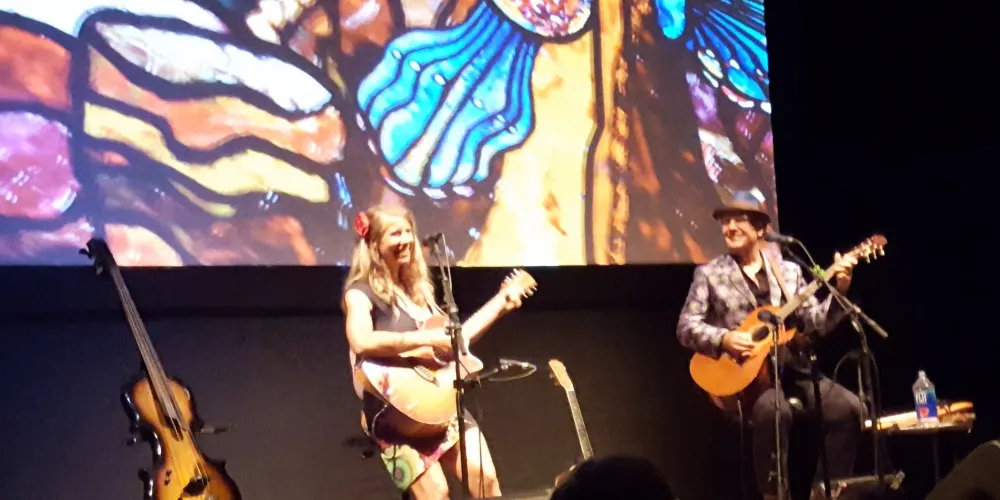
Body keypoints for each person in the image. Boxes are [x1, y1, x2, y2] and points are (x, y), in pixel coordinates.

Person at [676, 191, 863, 500]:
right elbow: (686, 327)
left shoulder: (788, 271)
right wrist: (724, 339)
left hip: (795, 368)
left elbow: (815, 322)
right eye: (725, 222)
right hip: (754, 380)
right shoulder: (709, 274)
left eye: (739, 220)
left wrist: (840, 290)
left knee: (851, 409)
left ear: (760, 229)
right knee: (774, 413)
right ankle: (774, 496)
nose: (730, 228)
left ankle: (826, 493)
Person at [341, 205, 523, 499]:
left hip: (440, 406)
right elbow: (361, 341)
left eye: (408, 232)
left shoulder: (420, 295)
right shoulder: (360, 293)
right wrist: (424, 338)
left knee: (486, 479)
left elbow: (454, 342)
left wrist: (501, 303)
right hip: (394, 419)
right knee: (436, 494)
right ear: (374, 244)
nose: (405, 240)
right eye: (395, 233)